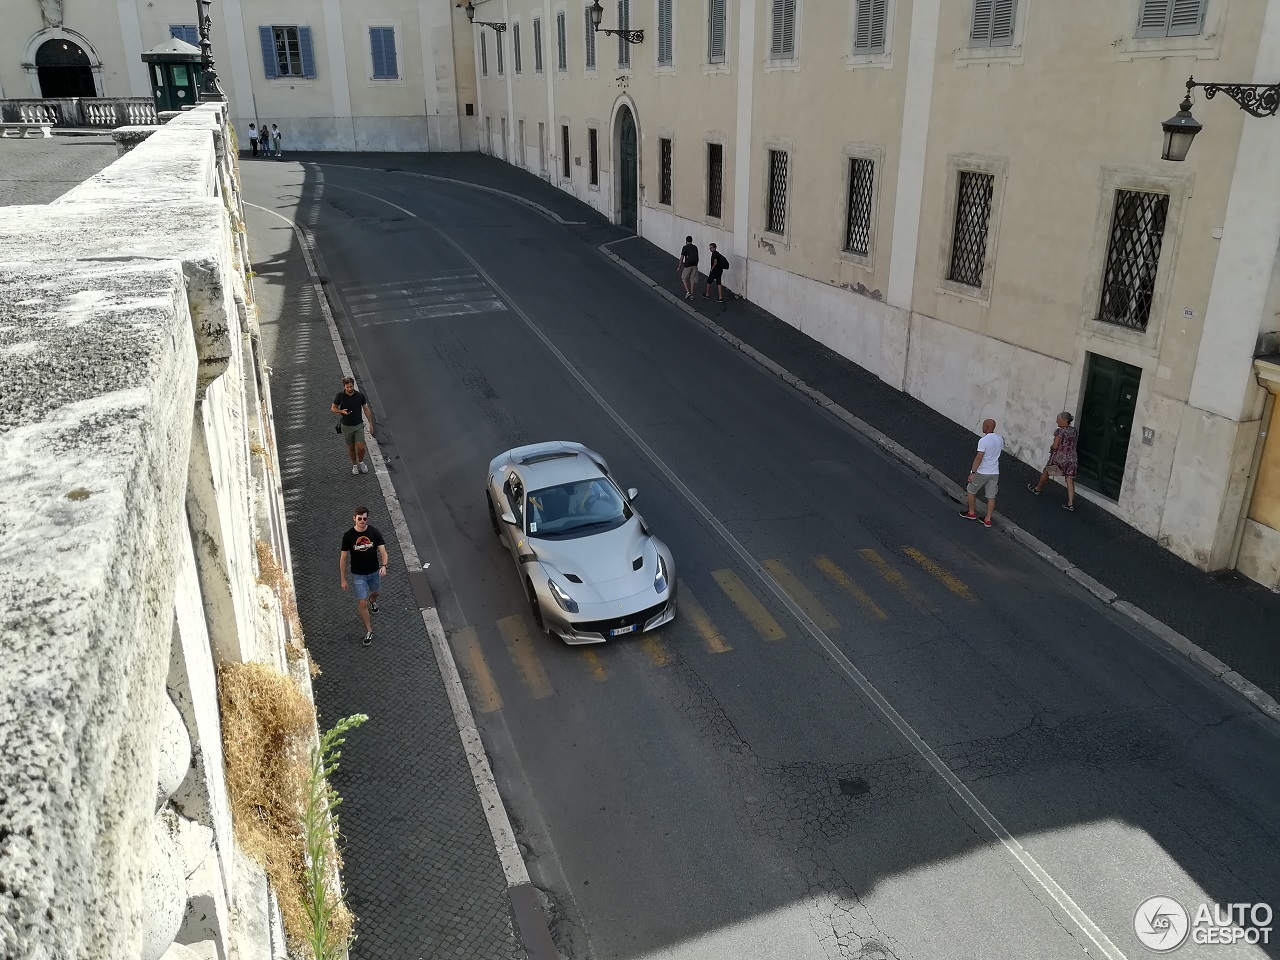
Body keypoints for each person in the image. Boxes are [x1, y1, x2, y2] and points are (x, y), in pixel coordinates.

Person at [340, 507, 388, 646]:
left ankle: (372, 600)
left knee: (376, 592)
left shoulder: (373, 532)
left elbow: (383, 551)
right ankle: (369, 631)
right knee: (362, 602)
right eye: (359, 518)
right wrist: (343, 579)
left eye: (364, 518)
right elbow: (343, 558)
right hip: (358, 575)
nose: (362, 521)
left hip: (374, 572)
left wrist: (384, 565)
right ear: (354, 518)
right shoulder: (348, 536)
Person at [1029, 412, 1079, 511]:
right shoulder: (1074, 430)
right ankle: (1070, 504)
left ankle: (1037, 489)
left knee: (1046, 471)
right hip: (1072, 458)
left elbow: (1055, 446)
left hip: (1059, 459)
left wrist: (1051, 447)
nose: (1057, 421)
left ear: (1065, 420)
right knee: (1069, 479)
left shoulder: (1059, 431)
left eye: (1058, 420)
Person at [961, 418, 1003, 527]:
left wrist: (972, 472)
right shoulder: (1000, 439)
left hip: (983, 471)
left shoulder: (983, 441)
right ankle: (988, 519)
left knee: (971, 490)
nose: (982, 427)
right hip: (994, 472)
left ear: (986, 427)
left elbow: (979, 457)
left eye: (983, 425)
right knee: (991, 496)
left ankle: (971, 512)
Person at [331, 376, 374, 475]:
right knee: (351, 448)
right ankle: (354, 465)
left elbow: (366, 409)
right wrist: (341, 411)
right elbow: (333, 408)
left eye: (351, 387)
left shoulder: (360, 396)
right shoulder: (340, 396)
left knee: (361, 447)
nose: (349, 389)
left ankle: (361, 462)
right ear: (344, 387)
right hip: (346, 426)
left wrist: (370, 423)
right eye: (347, 387)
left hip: (358, 425)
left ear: (353, 385)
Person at [677, 235, 699, 301]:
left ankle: (688, 292)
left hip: (687, 265)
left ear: (686, 241)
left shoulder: (685, 247)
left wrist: (679, 266)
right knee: (692, 280)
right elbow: (697, 257)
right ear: (691, 240)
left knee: (683, 278)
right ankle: (692, 295)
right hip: (694, 265)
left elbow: (681, 258)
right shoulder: (695, 247)